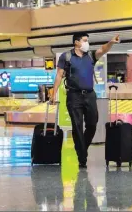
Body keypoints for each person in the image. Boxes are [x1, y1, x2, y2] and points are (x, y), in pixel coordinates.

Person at [52, 32, 120, 168]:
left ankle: (82, 149)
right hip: (74, 96)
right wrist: (53, 93)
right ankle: (82, 157)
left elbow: (103, 49)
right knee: (77, 127)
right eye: (84, 40)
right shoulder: (67, 57)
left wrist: (111, 42)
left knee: (92, 124)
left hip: (89, 95)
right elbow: (59, 75)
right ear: (76, 42)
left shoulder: (90, 56)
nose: (86, 43)